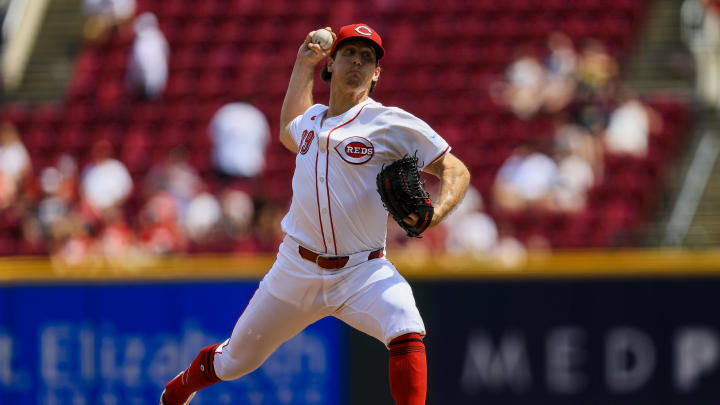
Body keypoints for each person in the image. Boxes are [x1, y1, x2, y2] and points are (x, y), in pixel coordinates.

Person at [158, 23, 470, 405]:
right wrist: (303, 63)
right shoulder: (311, 120)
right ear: (332, 64)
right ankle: (179, 389)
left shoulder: (391, 122)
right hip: (296, 269)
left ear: (376, 74)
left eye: (367, 58)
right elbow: (290, 131)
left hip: (363, 270)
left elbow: (456, 169)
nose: (357, 61)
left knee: (405, 323)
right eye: (349, 54)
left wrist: (435, 213)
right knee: (234, 362)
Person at [126, 12, 169, 100]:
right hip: (152, 83)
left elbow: (140, 62)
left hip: (146, 83)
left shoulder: (144, 41)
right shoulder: (159, 38)